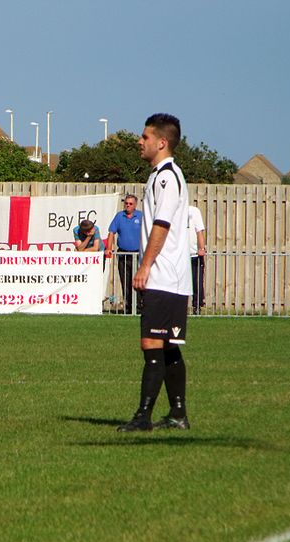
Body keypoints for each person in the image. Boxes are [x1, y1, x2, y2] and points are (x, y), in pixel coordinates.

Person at [118, 113, 192, 432]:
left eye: (145, 136)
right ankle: (178, 415)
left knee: (151, 343)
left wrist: (145, 266)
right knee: (168, 345)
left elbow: (162, 225)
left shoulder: (166, 177)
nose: (140, 141)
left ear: (161, 142)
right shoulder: (160, 175)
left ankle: (143, 417)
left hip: (165, 276)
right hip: (170, 277)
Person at [106, 194, 143, 313]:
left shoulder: (141, 216)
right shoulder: (119, 216)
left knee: (139, 281)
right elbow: (111, 232)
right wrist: (109, 248)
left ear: (135, 205)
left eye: (130, 204)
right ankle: (128, 306)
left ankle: (139, 306)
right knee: (125, 281)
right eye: (126, 203)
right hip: (123, 254)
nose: (128, 205)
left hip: (138, 254)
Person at [187, 205, 207, 314]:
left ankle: (197, 307)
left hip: (193, 254)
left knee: (196, 281)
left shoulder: (194, 211)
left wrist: (201, 248)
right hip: (179, 255)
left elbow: (199, 231)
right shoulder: (172, 209)